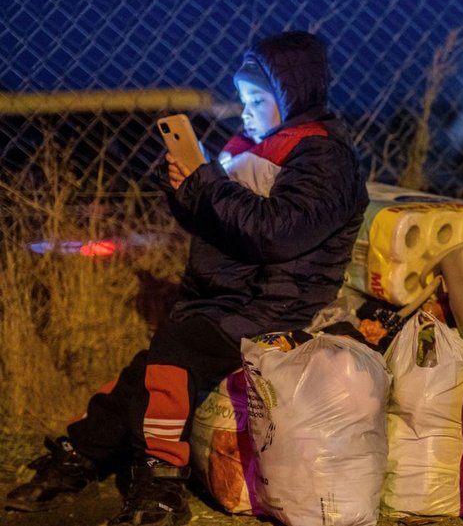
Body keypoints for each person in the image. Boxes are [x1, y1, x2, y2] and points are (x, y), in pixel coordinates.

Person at [4, 30, 369, 526]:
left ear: (294, 95)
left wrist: (208, 185)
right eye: (243, 99)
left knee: (175, 352)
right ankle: (79, 455)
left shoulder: (322, 157)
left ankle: (160, 483)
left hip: (280, 305)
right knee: (147, 370)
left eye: (258, 100)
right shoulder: (251, 145)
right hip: (228, 299)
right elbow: (215, 213)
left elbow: (277, 234)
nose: (245, 111)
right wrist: (185, 188)